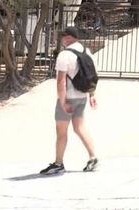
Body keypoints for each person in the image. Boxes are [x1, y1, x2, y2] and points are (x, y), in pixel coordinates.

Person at [40, 27, 98, 175]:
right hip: (82, 96)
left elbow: (61, 82)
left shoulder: (64, 55)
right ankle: (93, 157)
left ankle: (58, 163)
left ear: (68, 38)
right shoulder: (87, 51)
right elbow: (92, 75)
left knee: (61, 131)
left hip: (69, 98)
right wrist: (92, 94)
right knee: (79, 127)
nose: (61, 39)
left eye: (63, 37)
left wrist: (62, 102)